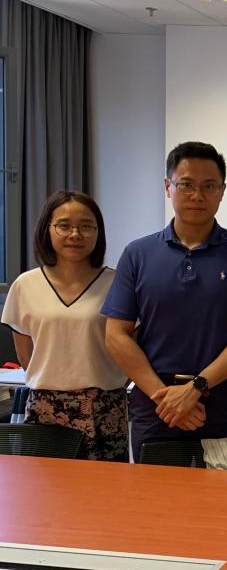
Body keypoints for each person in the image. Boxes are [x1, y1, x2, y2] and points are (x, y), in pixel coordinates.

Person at [103, 142, 227, 461]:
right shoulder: (137, 254)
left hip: (222, 404)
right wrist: (166, 399)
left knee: (223, 493)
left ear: (222, 191)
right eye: (186, 184)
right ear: (168, 186)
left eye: (209, 186)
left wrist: (195, 388)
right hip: (156, 407)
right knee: (158, 493)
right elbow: (115, 334)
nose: (197, 195)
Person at [1, 191, 128, 460]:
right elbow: (26, 356)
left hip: (104, 408)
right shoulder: (25, 285)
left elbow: (128, 348)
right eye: (64, 225)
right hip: (45, 408)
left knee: (104, 485)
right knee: (45, 485)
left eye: (86, 226)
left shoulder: (117, 284)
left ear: (98, 232)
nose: (75, 234)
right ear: (47, 229)